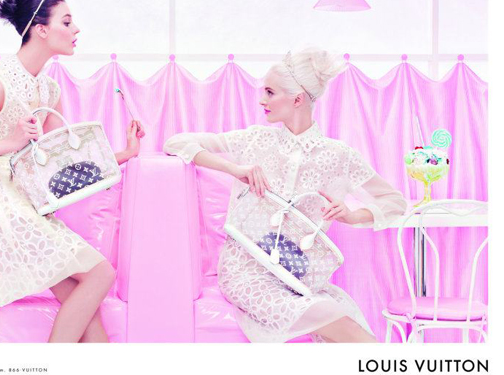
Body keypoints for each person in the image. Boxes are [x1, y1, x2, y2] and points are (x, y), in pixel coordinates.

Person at [0, 0, 144, 343]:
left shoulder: (48, 89)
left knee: (85, 305)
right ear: (41, 29)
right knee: (100, 274)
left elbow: (63, 165)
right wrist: (10, 143)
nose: (76, 29)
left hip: (25, 197)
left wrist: (125, 153)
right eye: (67, 22)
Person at [163, 48, 406, 343]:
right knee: (333, 317)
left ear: (297, 99)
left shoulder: (339, 156)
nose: (261, 100)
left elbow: (395, 202)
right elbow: (176, 142)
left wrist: (353, 216)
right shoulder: (254, 139)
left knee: (335, 312)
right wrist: (233, 169)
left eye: (270, 92)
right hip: (244, 272)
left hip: (298, 277)